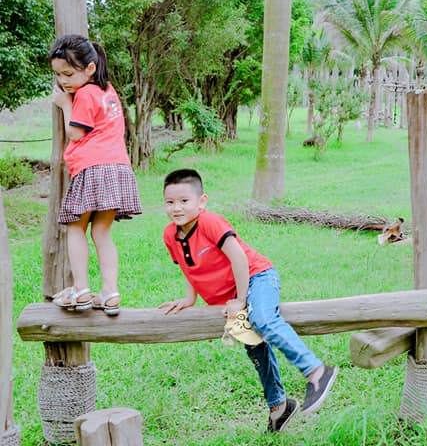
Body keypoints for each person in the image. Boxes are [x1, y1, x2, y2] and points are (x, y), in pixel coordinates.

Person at [158, 169, 337, 432]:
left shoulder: (210, 222)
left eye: (184, 201)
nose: (176, 208)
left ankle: (317, 371)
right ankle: (279, 407)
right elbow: (188, 267)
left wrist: (241, 300)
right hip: (233, 294)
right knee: (254, 344)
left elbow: (239, 258)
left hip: (257, 277)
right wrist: (189, 298)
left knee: (262, 319)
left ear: (202, 201)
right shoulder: (169, 235)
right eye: (170, 202)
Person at [49, 34, 141, 315]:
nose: (62, 81)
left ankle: (81, 289)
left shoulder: (85, 94)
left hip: (92, 167)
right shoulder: (107, 90)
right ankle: (110, 292)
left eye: (68, 74)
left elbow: (76, 133)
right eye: (58, 75)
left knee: (75, 228)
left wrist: (65, 104)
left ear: (90, 68)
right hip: (117, 167)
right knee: (101, 232)